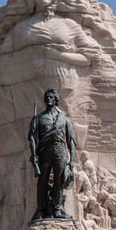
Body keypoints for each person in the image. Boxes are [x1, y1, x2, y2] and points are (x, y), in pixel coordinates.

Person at [28, 88, 76, 221]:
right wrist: (34, 156)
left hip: (60, 150)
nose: (48, 99)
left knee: (59, 181)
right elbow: (32, 138)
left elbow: (71, 140)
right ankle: (41, 209)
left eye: (51, 97)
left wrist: (72, 160)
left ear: (56, 100)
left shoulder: (64, 119)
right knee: (42, 181)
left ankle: (58, 208)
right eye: (46, 97)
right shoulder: (38, 119)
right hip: (45, 151)